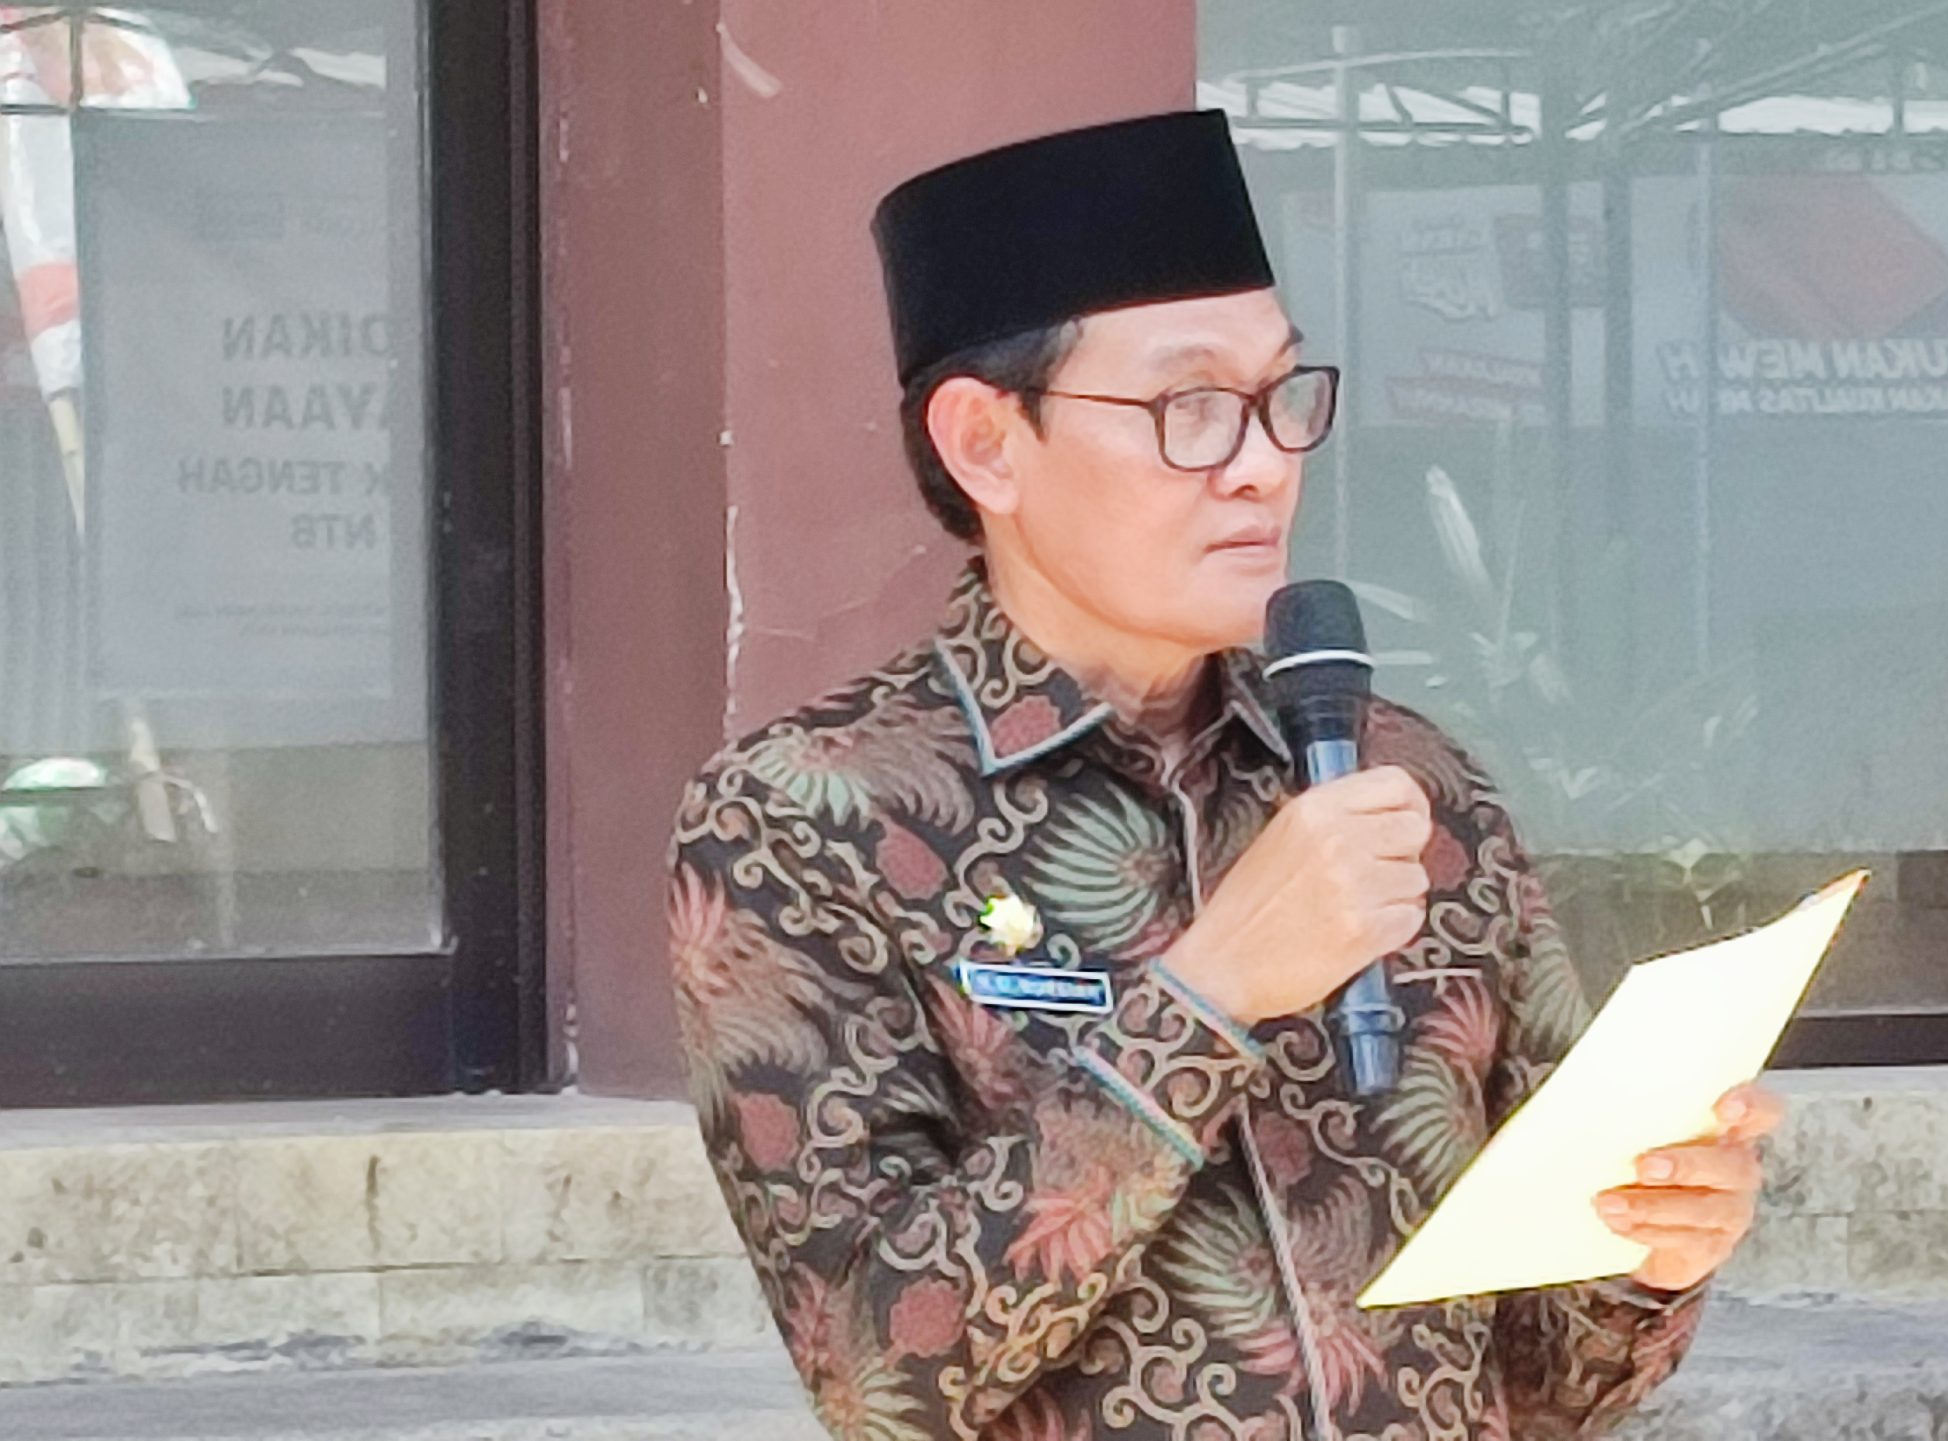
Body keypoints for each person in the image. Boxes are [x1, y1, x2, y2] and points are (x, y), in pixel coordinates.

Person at [666, 109, 1782, 1441]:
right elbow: (878, 1376)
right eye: (1190, 408)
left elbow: (1543, 1384)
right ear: (986, 443)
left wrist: (1654, 1256)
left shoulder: (1410, 790)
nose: (1263, 463)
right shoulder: (808, 819)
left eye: (1280, 396)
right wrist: (1208, 998)